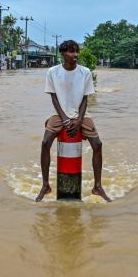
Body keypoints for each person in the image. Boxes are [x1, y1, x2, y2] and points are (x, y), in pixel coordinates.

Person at [35, 40, 112, 203]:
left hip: (82, 114)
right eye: (71, 51)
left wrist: (78, 121)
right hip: (58, 113)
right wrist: (63, 118)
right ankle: (45, 185)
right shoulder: (52, 72)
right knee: (45, 142)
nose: (75, 55)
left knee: (98, 144)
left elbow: (85, 99)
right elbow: (53, 96)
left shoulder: (85, 72)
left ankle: (97, 187)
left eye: (77, 51)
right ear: (63, 53)